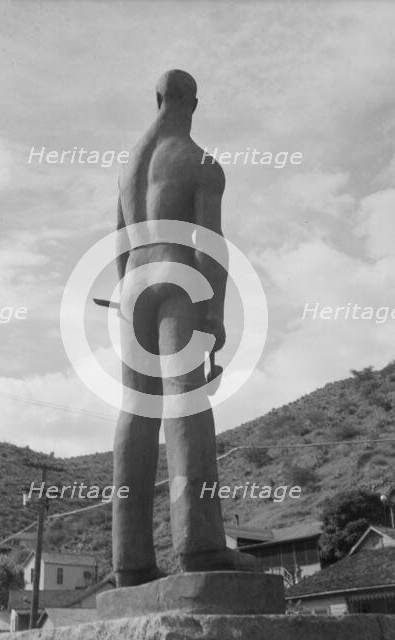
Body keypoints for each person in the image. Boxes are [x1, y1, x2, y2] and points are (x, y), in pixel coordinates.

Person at [112, 70, 257, 587]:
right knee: (184, 398)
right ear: (194, 103)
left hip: (131, 285)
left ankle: (130, 564)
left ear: (156, 99)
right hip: (177, 277)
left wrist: (127, 298)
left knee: (135, 409)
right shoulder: (202, 164)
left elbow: (120, 247)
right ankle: (199, 546)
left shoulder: (128, 166)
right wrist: (214, 312)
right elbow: (209, 245)